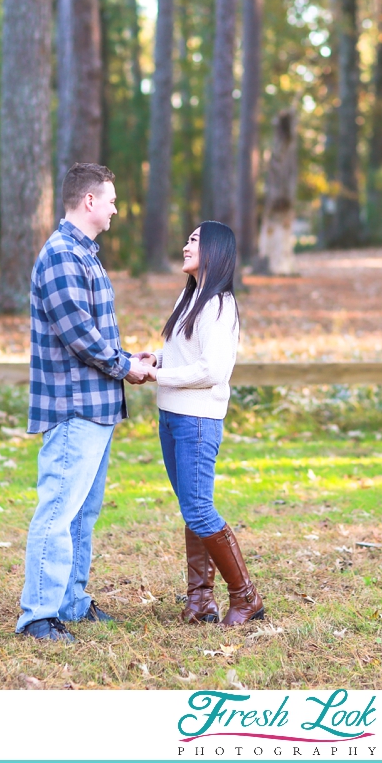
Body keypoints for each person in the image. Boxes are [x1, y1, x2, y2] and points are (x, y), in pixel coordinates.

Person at [16, 162, 154, 642]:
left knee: (81, 514)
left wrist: (129, 357)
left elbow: (93, 332)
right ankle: (38, 614)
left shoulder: (84, 255)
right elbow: (79, 333)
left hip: (94, 408)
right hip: (73, 408)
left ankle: (70, 602)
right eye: (111, 199)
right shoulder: (60, 255)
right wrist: (124, 366)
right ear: (89, 201)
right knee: (57, 511)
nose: (117, 207)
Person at [136, 221, 266, 627]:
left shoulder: (220, 305)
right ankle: (200, 601)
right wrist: (158, 359)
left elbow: (213, 370)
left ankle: (247, 598)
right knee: (191, 510)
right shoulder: (193, 297)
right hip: (173, 416)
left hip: (196, 420)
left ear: (213, 250)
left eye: (194, 240)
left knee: (199, 509)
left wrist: (159, 376)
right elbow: (188, 354)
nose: (185, 245)